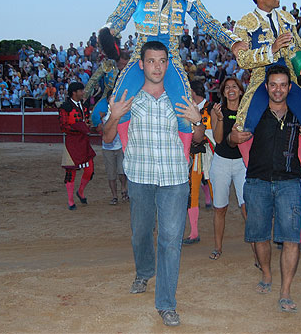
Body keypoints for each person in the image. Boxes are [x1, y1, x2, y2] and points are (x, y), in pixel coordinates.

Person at [103, 0, 246, 157]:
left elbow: (207, 22)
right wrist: (106, 31)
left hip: (169, 58)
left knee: (184, 112)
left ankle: (182, 159)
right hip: (141, 56)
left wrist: (232, 42)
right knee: (119, 105)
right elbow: (119, 16)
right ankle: (129, 157)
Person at [103, 41, 205, 327]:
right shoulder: (129, 99)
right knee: (140, 232)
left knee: (171, 240)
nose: (157, 67)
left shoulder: (181, 99)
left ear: (167, 64)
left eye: (162, 61)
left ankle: (166, 304)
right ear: (141, 65)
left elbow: (197, 140)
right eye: (151, 61)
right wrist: (114, 115)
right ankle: (144, 271)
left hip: (174, 178)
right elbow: (108, 136)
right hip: (139, 177)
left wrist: (199, 123)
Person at [230, 64, 301, 313]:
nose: (278, 89)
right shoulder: (255, 112)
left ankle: (285, 291)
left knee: (291, 239)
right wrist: (232, 138)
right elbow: (232, 138)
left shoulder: (298, 114)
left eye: (282, 85)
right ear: (266, 87)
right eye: (273, 85)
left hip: (290, 182)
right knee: (260, 235)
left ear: (289, 87)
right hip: (257, 180)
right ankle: (268, 275)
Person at [234, 0, 301, 138]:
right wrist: (272, 49)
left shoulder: (287, 19)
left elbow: (298, 49)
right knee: (246, 126)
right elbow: (242, 59)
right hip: (262, 77)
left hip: (290, 76)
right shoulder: (244, 24)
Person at [208, 77, 249, 261]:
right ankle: (217, 247)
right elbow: (217, 140)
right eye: (227, 88)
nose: (231, 90)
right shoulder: (217, 110)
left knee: (247, 207)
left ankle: (256, 247)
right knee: (220, 208)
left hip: (242, 163)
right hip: (221, 162)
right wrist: (220, 118)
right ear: (223, 92)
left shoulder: (248, 111)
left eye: (235, 87)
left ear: (241, 90)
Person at [182, 80, 214, 245]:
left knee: (216, 191)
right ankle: (194, 232)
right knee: (192, 192)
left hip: (211, 156)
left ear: (193, 93)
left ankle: (217, 231)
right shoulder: (207, 108)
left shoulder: (212, 109)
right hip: (195, 157)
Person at [59, 82, 95, 210]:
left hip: (83, 141)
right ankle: (70, 200)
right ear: (74, 92)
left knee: (90, 170)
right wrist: (79, 129)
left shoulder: (84, 106)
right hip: (72, 143)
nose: (83, 93)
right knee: (71, 172)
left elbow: (86, 122)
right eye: (81, 91)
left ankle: (80, 191)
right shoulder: (65, 107)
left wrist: (86, 127)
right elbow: (63, 126)